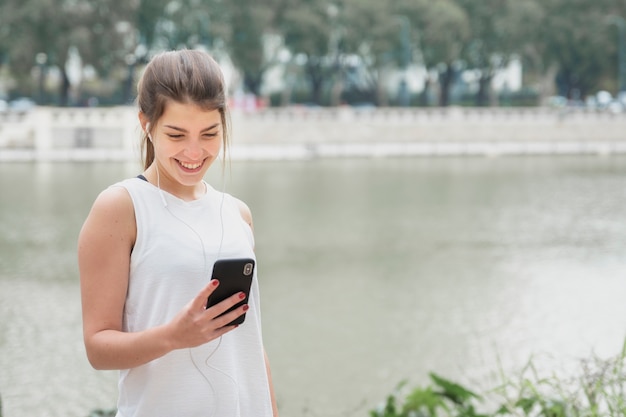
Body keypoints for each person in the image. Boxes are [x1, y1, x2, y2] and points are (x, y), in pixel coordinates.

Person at [78, 49, 279, 417]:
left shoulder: (237, 213)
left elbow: (251, 343)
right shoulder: (121, 207)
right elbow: (97, 347)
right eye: (176, 134)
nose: (194, 151)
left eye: (209, 133)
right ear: (146, 124)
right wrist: (173, 336)